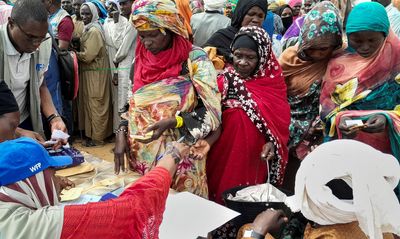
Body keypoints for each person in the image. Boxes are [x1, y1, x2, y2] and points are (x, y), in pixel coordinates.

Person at [114, 0, 221, 197]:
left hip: (181, 159)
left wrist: (176, 121)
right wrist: (121, 130)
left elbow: (213, 113)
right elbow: (134, 104)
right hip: (142, 158)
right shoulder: (140, 60)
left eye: (153, 35)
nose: (146, 43)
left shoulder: (194, 60)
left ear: (170, 28)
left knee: (183, 218)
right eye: (142, 36)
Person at [0, 137, 190, 239]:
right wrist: (171, 157)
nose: (58, 177)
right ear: (32, 182)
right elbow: (132, 209)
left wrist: (50, 186)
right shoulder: (29, 225)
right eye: (51, 171)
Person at [244, 140, 400, 239]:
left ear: (324, 205)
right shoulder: (379, 221)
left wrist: (257, 231)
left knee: (246, 229)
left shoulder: (328, 236)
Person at [205, 26, 290, 204]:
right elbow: (209, 116)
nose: (242, 62)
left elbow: (279, 126)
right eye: (238, 56)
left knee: (245, 203)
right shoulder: (224, 81)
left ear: (263, 57)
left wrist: (271, 144)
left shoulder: (273, 84)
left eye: (250, 57)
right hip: (221, 156)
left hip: (253, 159)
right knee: (220, 198)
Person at [320, 2, 400, 187]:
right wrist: (339, 121)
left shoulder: (397, 62)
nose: (364, 47)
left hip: (389, 152)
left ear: (385, 34)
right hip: (350, 150)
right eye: (357, 40)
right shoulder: (338, 65)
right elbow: (327, 109)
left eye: (372, 40)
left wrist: (386, 119)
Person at [278, 1, 343, 190]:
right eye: (311, 47)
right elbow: (276, 94)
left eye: (323, 49)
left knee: (318, 184)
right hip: (288, 128)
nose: (316, 54)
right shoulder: (289, 59)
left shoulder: (341, 58)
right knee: (290, 182)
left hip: (321, 134)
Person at [0, 0, 67, 142]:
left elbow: (40, 84)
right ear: (11, 23)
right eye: (30, 37)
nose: (36, 46)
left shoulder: (44, 43)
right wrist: (16, 132)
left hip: (23, 120)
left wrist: (54, 118)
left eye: (41, 39)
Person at [76, 2, 112, 147]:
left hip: (96, 74)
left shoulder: (94, 31)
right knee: (91, 103)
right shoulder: (88, 29)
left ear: (94, 14)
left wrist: (73, 54)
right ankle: (94, 135)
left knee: (96, 104)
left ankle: (98, 139)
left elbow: (88, 56)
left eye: (87, 14)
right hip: (90, 73)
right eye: (82, 13)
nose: (84, 16)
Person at [42, 0, 75, 135]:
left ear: (49, 2)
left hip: (55, 68)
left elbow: (62, 47)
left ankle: (66, 137)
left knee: (60, 104)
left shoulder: (64, 19)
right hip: (47, 66)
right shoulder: (48, 16)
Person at [104, 0, 137, 131]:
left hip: (128, 64)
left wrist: (116, 59)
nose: (122, 7)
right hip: (124, 64)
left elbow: (121, 48)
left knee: (126, 102)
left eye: (124, 4)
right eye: (120, 4)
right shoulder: (126, 20)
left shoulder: (133, 22)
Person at [204, 0, 268, 64]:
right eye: (251, 14)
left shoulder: (263, 41)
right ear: (240, 14)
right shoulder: (221, 38)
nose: (256, 20)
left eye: (260, 16)